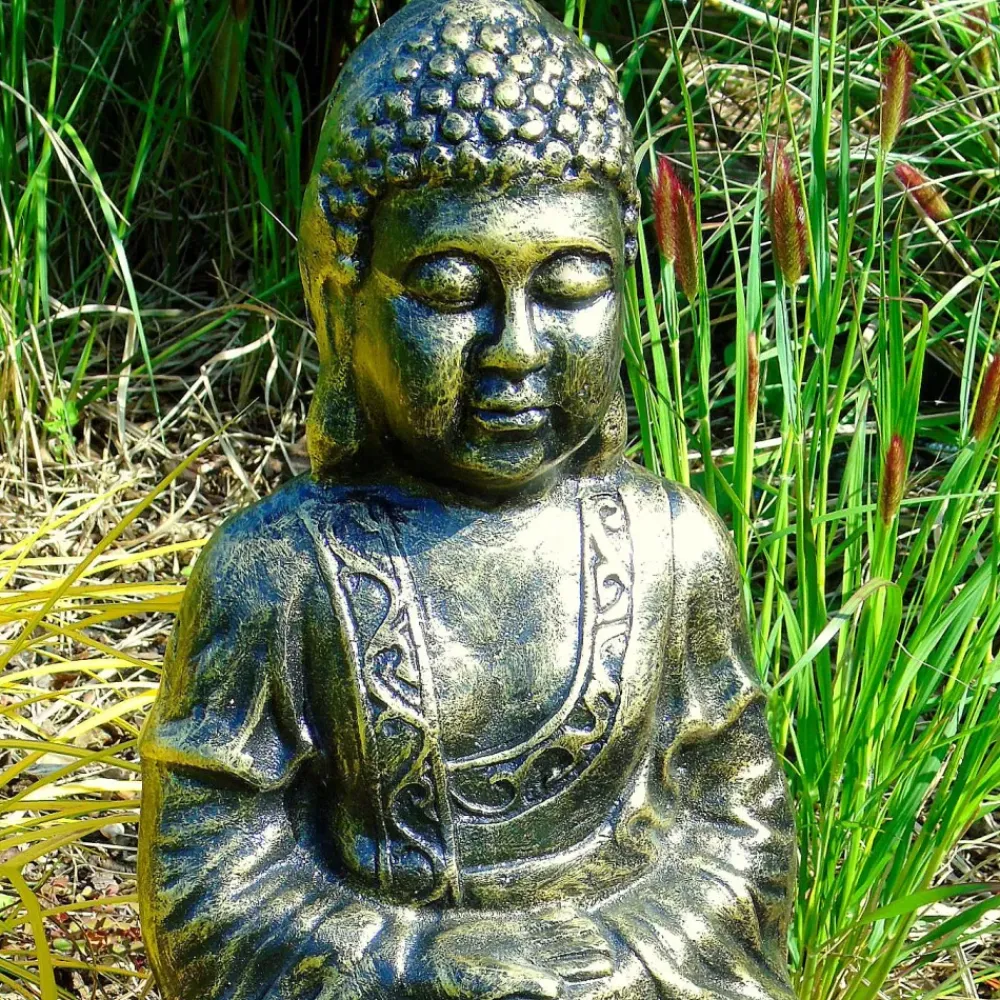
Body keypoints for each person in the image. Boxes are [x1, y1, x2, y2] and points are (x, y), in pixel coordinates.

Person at [138, 1, 798, 997]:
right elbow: (206, 879)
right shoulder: (276, 572)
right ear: (340, 302)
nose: (516, 348)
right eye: (452, 291)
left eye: (569, 286)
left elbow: (741, 824)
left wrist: (612, 957)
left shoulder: (673, 548)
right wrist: (424, 963)